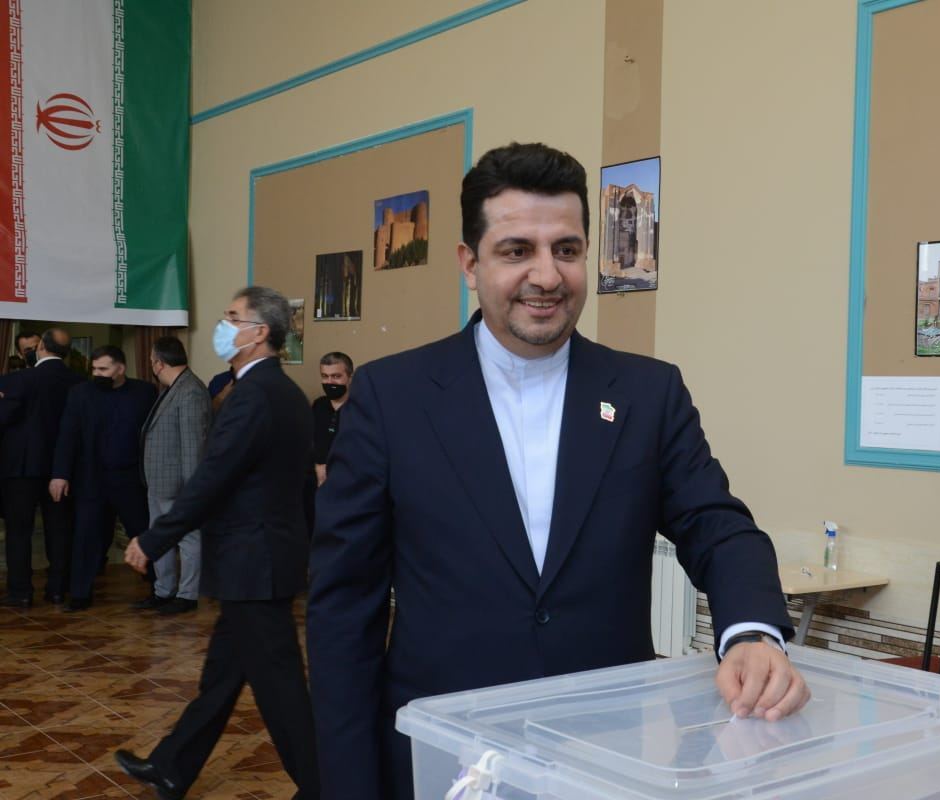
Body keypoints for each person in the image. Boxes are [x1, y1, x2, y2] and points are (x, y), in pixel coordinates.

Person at [306, 142, 808, 799]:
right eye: (517, 250)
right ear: (469, 262)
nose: (547, 275)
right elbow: (345, 608)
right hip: (444, 755)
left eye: (566, 250)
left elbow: (717, 526)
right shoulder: (391, 397)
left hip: (605, 755)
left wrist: (751, 631)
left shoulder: (646, 394)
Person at [115, 286, 320, 800]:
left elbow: (213, 477)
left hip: (255, 561)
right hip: (259, 558)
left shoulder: (257, 394)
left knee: (281, 690)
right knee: (222, 678)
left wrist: (155, 538)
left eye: (233, 317)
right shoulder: (282, 391)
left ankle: (326, 784)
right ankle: (172, 766)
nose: (223, 324)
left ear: (259, 333)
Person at [51, 345, 156, 611]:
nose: (96, 373)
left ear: (120, 369)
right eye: (94, 368)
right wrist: (60, 474)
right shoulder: (80, 394)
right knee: (86, 536)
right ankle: (80, 594)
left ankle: (159, 587)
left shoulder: (144, 393)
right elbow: (68, 436)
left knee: (143, 532)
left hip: (130, 479)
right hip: (91, 478)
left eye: (103, 369)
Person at [0, 329, 83, 605]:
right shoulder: (78, 382)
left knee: (19, 531)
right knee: (59, 529)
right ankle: (57, 589)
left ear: (41, 349)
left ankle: (20, 592)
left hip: (21, 468)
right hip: (62, 468)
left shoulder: (17, 380)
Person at [136, 336, 211, 615]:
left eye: (152, 359)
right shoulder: (171, 388)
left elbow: (194, 446)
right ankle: (163, 591)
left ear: (159, 362)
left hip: (179, 485)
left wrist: (192, 491)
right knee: (160, 537)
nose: (151, 364)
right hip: (159, 483)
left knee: (188, 539)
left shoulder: (190, 391)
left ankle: (187, 594)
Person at [312, 351, 353, 487]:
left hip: (347, 483)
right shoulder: (319, 405)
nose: (330, 382)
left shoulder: (361, 408)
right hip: (316, 483)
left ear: (350, 377)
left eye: (336, 376)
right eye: (325, 376)